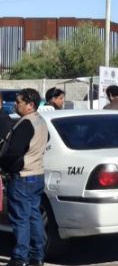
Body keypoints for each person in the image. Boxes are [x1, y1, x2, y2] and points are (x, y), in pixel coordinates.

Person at [0, 88, 48, 266]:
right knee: (33, 216)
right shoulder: (40, 121)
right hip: (36, 174)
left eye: (19, 102)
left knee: (20, 218)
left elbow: (13, 151)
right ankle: (37, 256)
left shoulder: (26, 124)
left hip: (23, 176)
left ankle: (20, 258)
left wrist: (6, 164)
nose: (15, 105)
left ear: (30, 105)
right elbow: (45, 140)